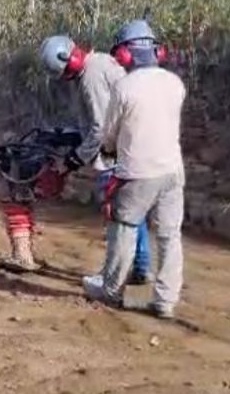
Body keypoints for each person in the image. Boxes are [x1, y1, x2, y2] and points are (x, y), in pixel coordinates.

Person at [82, 20, 187, 320]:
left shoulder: (124, 86)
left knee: (124, 230)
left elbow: (110, 133)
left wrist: (108, 149)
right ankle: (165, 301)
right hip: (172, 172)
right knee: (169, 236)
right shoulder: (175, 84)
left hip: (136, 172)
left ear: (125, 55)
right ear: (157, 51)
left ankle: (112, 292)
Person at [39, 35, 152, 285]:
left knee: (115, 214)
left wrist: (74, 159)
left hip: (116, 155)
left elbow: (99, 128)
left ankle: (112, 275)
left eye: (65, 72)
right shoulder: (101, 62)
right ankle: (141, 266)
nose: (66, 78)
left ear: (70, 60)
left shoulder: (89, 78)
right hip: (134, 145)